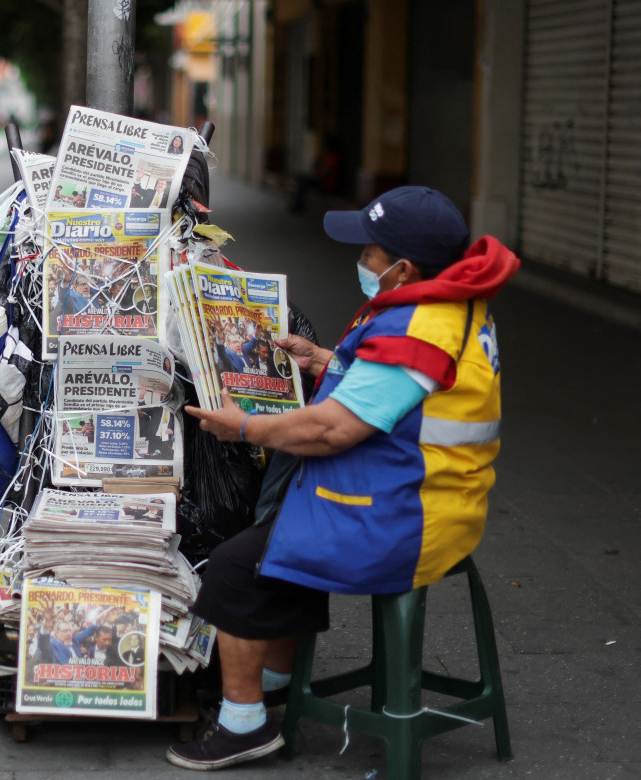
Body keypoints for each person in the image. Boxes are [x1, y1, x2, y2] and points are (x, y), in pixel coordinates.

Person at [166, 186, 520, 771]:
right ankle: (278, 681)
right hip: (437, 496)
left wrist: (246, 427)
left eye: (370, 252)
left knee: (234, 564)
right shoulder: (451, 304)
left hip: (404, 515)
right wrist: (327, 361)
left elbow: (333, 432)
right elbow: (405, 395)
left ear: (402, 268)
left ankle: (244, 725)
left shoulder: (417, 330)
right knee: (280, 533)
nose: (360, 260)